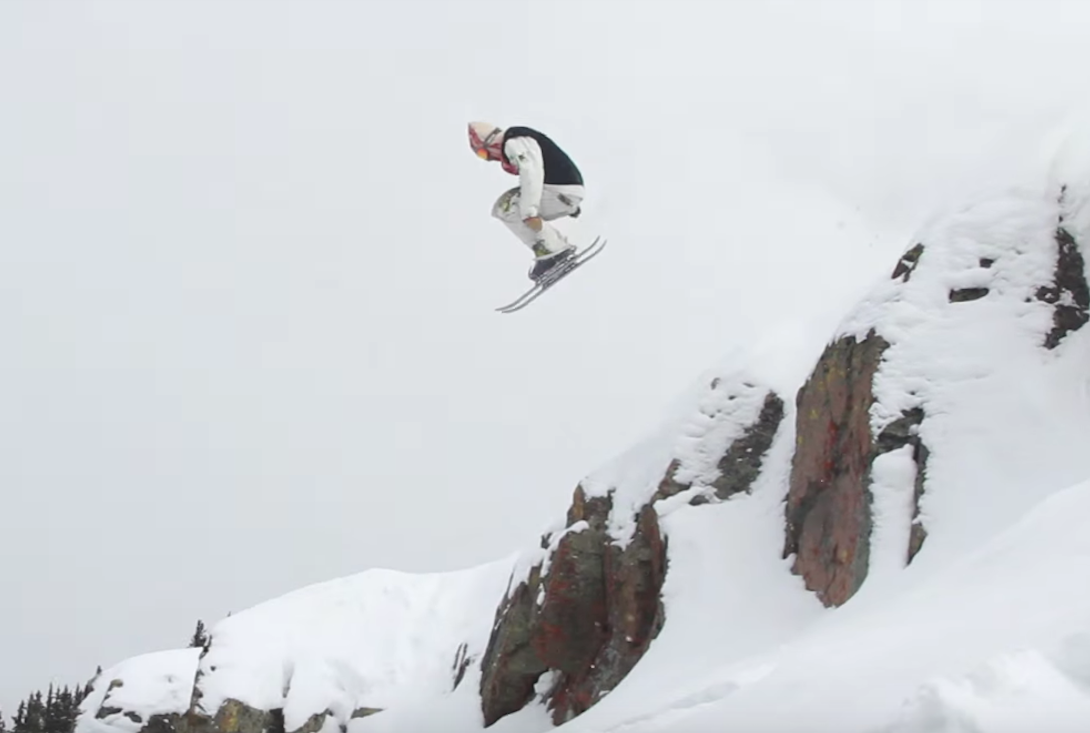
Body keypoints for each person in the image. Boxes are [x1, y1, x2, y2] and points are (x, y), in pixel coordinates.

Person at [468, 122, 585, 281]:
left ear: (489, 141)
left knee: (506, 207)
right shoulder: (518, 140)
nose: (489, 159)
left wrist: (529, 211)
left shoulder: (514, 142)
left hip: (561, 192)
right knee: (511, 206)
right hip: (564, 192)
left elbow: (531, 172)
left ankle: (554, 252)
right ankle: (552, 248)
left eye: (483, 153)